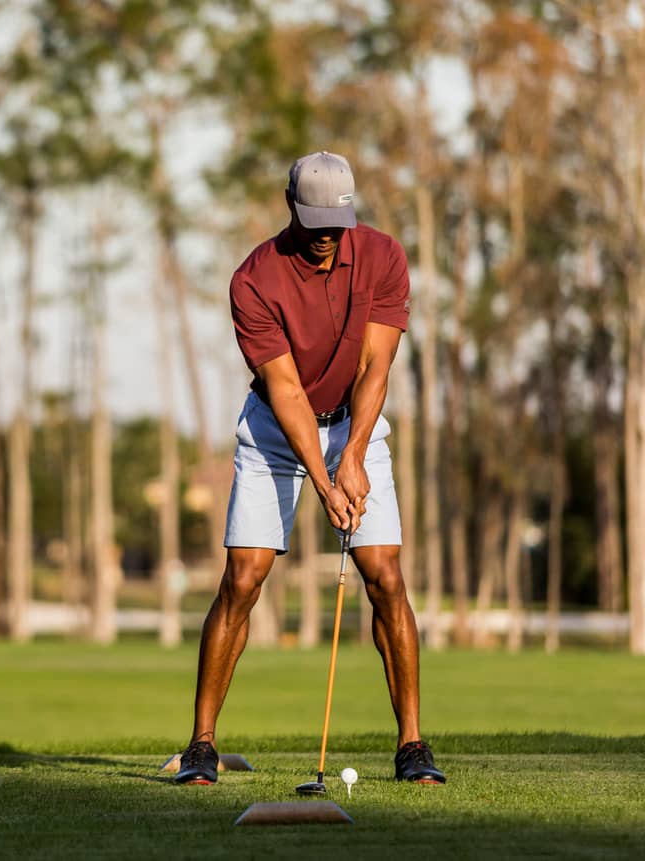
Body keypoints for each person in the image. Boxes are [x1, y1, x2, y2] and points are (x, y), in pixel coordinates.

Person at [174, 152, 446, 785]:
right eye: (314, 220)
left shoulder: (382, 257)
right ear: (289, 205)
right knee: (244, 578)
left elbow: (377, 366)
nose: (326, 235)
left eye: (336, 221)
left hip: (355, 420)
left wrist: (352, 455)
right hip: (275, 428)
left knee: (385, 573)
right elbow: (287, 391)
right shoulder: (255, 280)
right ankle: (201, 745)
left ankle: (411, 745)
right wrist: (324, 483)